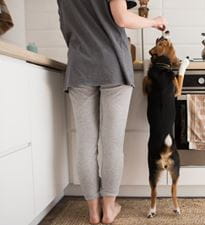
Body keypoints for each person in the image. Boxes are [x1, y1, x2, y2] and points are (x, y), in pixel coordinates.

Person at [57, 0, 167, 224]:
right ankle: (108, 210)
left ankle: (93, 211)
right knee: (112, 144)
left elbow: (65, 27)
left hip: (79, 67)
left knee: (85, 144)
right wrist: (153, 22)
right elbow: (122, 18)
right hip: (113, 66)